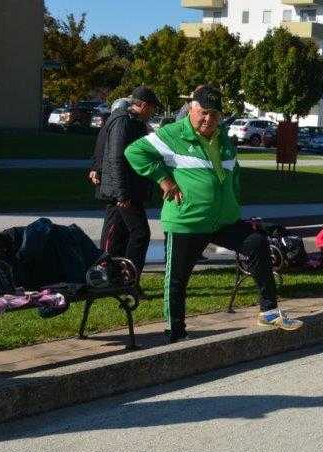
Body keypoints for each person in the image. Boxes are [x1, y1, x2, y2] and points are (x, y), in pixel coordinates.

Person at [124, 84, 302, 342]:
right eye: (204, 112)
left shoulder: (224, 139)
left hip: (223, 221)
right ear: (192, 109)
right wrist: (164, 179)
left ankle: (269, 311)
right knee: (177, 279)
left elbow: (234, 172)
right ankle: (175, 334)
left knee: (256, 243)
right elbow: (134, 152)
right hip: (188, 221)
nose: (209, 119)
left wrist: (233, 200)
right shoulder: (172, 134)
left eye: (215, 114)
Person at [87, 86, 160, 279]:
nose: (153, 112)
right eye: (152, 108)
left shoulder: (134, 122)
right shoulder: (123, 121)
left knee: (119, 231)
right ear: (142, 105)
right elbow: (116, 158)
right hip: (123, 189)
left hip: (125, 188)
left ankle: (113, 274)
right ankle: (128, 276)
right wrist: (122, 194)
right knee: (139, 233)